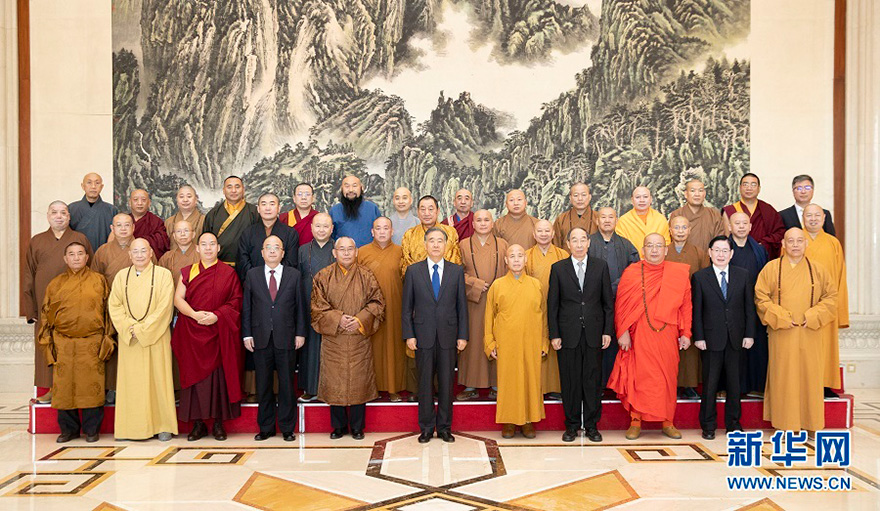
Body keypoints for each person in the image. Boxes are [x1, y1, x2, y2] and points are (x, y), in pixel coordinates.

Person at [608, 233, 692, 440]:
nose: (654, 250)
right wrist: (622, 332)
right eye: (650, 246)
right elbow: (621, 305)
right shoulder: (632, 273)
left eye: (659, 246)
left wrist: (686, 333)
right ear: (643, 250)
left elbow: (685, 305)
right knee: (640, 376)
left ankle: (668, 422)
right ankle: (635, 421)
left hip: (668, 333)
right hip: (640, 334)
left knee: (667, 378)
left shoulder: (677, 273)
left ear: (666, 250)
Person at [755, 228, 837, 432]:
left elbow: (831, 298)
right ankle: (784, 423)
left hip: (811, 331)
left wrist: (812, 316)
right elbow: (761, 298)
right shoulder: (771, 268)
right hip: (782, 332)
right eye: (790, 241)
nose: (795, 245)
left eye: (800, 241)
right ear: (783, 244)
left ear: (806, 243)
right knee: (784, 377)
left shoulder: (818, 269)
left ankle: (811, 423)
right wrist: (782, 317)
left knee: (810, 377)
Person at [311, 237, 386, 440]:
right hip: (333, 338)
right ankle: (338, 426)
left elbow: (377, 303)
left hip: (358, 336)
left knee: (359, 383)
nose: (346, 253)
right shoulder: (323, 276)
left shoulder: (366, 275)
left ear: (356, 252)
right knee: (334, 382)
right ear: (334, 253)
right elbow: (317, 307)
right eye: (341, 249)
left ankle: (358, 427)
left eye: (350, 249)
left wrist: (360, 319)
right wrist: (338, 319)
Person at [172, 232, 244, 441]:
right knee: (193, 380)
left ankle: (219, 424)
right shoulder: (188, 272)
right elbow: (178, 299)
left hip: (217, 332)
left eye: (212, 244)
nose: (208, 248)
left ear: (218, 248)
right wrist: (194, 315)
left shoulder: (228, 273)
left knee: (218, 379)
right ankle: (198, 424)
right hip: (192, 331)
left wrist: (217, 315)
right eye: (204, 244)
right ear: (197, 248)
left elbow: (236, 301)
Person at [39, 242, 114, 443]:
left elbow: (108, 311)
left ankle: (91, 430)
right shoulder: (55, 284)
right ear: (65, 258)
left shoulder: (99, 280)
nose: (76, 257)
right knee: (64, 387)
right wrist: (48, 342)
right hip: (63, 342)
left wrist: (107, 338)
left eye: (80, 254)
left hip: (92, 341)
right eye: (71, 254)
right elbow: (46, 314)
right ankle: (68, 430)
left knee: (91, 387)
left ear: (87, 257)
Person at [402, 227, 468, 443]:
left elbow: (462, 306)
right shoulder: (413, 271)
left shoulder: (456, 271)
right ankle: (427, 427)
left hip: (449, 336)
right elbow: (406, 307)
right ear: (425, 244)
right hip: (423, 336)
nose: (436, 244)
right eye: (432, 240)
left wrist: (463, 335)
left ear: (446, 245)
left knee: (447, 384)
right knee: (424, 384)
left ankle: (445, 427)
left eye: (440, 241)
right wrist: (409, 335)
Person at [548, 227, 614, 442]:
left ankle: (592, 426)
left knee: (592, 381)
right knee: (570, 382)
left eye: (582, 240)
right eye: (574, 240)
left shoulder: (600, 266)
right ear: (568, 244)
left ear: (588, 243)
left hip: (594, 333)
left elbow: (608, 303)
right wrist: (554, 334)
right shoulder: (558, 268)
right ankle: (572, 426)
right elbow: (552, 305)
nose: (578, 244)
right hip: (568, 334)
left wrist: (607, 331)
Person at [108, 238, 178, 441]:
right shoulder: (121, 276)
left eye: (143, 251)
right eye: (135, 251)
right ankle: (129, 428)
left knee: (158, 381)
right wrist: (129, 327)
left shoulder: (163, 275)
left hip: (156, 336)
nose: (139, 255)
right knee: (132, 384)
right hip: (130, 338)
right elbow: (114, 305)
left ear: (151, 253)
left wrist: (143, 329)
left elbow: (165, 306)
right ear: (130, 255)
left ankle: (162, 425)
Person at [23, 201, 93, 402]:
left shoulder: (79, 239)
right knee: (47, 344)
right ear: (48, 216)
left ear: (69, 217)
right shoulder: (37, 241)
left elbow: (91, 270)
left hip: (76, 305)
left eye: (63, 213)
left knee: (73, 346)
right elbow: (28, 275)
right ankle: (49, 388)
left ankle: (75, 387)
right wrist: (31, 310)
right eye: (54, 212)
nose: (59, 216)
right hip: (45, 305)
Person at [242, 236, 306, 441]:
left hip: (286, 336)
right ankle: (266, 427)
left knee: (287, 384)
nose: (272, 251)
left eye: (276, 247)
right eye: (268, 247)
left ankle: (287, 428)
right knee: (263, 384)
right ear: (262, 253)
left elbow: (300, 306)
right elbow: (247, 307)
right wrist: (247, 334)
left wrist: (300, 333)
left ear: (282, 253)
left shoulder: (294, 275)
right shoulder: (252, 275)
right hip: (260, 337)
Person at [692, 236, 756, 440]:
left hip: (736, 338)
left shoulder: (743, 275)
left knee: (734, 385)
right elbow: (697, 310)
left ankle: (733, 424)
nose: (721, 254)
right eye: (717, 250)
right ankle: (708, 426)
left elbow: (749, 308)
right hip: (710, 339)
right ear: (710, 253)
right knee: (710, 384)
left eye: (725, 250)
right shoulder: (700, 277)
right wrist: (699, 336)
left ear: (731, 254)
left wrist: (749, 334)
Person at [485, 244, 548, 438]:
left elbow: (544, 316)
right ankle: (509, 422)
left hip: (531, 341)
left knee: (530, 380)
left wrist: (544, 342)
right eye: (512, 256)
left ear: (525, 259)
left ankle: (528, 421)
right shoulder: (497, 285)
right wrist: (490, 343)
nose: (516, 259)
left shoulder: (536, 285)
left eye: (520, 255)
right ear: (506, 260)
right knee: (509, 382)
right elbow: (489, 317)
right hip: (507, 342)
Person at [92, 213, 142, 402]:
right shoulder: (103, 251)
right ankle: (112, 387)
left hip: (138, 307)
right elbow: (95, 281)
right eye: (118, 225)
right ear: (112, 229)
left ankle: (135, 387)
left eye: (127, 225)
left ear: (133, 227)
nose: (123, 229)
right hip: (111, 306)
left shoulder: (142, 249)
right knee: (112, 347)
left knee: (135, 347)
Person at [588, 207, 640, 389]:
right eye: (603, 217)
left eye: (611, 217)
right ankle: (597, 384)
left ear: (616, 220)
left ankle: (616, 384)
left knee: (617, 342)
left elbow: (634, 271)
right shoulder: (588, 243)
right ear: (597, 221)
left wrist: (615, 287)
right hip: (593, 302)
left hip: (620, 300)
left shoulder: (626, 245)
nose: (607, 220)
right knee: (594, 341)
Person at [457, 210, 507, 400]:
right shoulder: (463, 245)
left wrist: (500, 288)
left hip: (498, 301)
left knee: (497, 338)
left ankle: (497, 383)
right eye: (479, 220)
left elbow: (511, 269)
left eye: (487, 220)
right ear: (473, 224)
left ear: (492, 223)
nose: (483, 223)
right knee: (474, 340)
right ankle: (471, 385)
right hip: (473, 303)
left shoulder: (502, 244)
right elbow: (456, 273)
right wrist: (475, 284)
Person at [801, 204, 849, 396]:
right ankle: (804, 383)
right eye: (809, 215)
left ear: (823, 218)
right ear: (803, 218)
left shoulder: (833, 243)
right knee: (803, 348)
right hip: (801, 305)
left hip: (826, 305)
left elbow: (840, 277)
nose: (813, 219)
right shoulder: (795, 240)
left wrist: (839, 308)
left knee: (826, 346)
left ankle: (824, 384)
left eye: (817, 215)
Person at [358, 217, 406, 401]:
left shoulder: (401, 252)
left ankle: (393, 388)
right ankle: (373, 388)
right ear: (372, 232)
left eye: (386, 228)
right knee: (372, 347)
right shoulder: (362, 252)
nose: (382, 232)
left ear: (392, 231)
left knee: (394, 346)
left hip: (395, 306)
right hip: (369, 308)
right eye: (378, 228)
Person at [665, 216, 709, 400]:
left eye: (684, 227)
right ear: (670, 230)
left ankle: (690, 385)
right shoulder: (663, 251)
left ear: (690, 230)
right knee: (669, 346)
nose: (680, 231)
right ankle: (671, 384)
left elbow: (706, 278)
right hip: (666, 305)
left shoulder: (698, 252)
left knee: (689, 347)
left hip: (691, 303)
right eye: (677, 227)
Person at [524, 219, 569, 399]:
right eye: (540, 231)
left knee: (555, 346)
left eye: (547, 231)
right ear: (534, 235)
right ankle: (536, 387)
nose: (543, 234)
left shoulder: (563, 254)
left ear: (553, 234)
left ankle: (555, 386)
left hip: (558, 307)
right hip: (533, 307)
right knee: (535, 346)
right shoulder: (526, 256)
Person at [728, 212, 769, 396]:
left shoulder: (759, 250)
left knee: (756, 346)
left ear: (750, 226)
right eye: (737, 223)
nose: (741, 226)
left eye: (745, 223)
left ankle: (755, 386)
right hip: (731, 305)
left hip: (754, 303)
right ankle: (731, 387)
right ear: (730, 227)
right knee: (732, 347)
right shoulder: (723, 248)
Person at [297, 213, 336, 402]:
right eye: (318, 226)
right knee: (309, 347)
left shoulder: (338, 248)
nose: (321, 230)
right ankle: (310, 388)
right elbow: (298, 278)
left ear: (332, 229)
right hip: (307, 304)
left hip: (332, 305)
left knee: (331, 347)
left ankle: (331, 387)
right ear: (312, 228)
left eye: (325, 226)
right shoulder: (302, 250)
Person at [722, 173, 786, 259]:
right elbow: (727, 239)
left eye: (753, 184)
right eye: (745, 184)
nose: (749, 188)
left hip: (761, 255)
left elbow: (780, 233)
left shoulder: (767, 209)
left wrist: (763, 244)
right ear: (740, 188)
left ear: (759, 189)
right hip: (737, 256)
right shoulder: (730, 210)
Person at [238, 192, 299, 280]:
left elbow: (291, 261)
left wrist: (274, 277)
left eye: (272, 204)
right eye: (264, 204)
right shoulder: (248, 233)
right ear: (258, 209)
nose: (268, 208)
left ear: (279, 208)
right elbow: (243, 261)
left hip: (282, 283)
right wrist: (256, 278)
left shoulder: (290, 233)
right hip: (253, 282)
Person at [202, 175, 260, 266]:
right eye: (229, 187)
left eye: (237, 187)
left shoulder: (254, 212)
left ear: (243, 190)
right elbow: (206, 241)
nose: (233, 190)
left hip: (247, 265)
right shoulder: (213, 214)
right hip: (219, 266)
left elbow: (259, 241)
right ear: (223, 190)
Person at [400, 195, 462, 271]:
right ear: (418, 212)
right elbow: (406, 264)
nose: (427, 213)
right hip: (417, 277)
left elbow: (455, 262)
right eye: (423, 209)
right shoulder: (409, 234)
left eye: (430, 209)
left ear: (438, 211)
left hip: (446, 277)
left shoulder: (450, 232)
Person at [668, 178, 728, 251]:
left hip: (708, 257)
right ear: (686, 194)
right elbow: (672, 242)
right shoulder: (677, 214)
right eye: (692, 191)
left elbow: (720, 242)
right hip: (682, 257)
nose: (697, 194)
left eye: (700, 190)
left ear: (704, 194)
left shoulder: (714, 215)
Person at [68, 172, 117, 252]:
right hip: (79, 255)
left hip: (103, 254)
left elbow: (115, 235)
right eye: (89, 182)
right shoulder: (72, 208)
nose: (93, 186)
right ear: (83, 186)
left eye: (97, 183)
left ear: (101, 187)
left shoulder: (111, 210)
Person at [615, 186, 670, 255]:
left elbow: (666, 243)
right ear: (632, 200)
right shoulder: (624, 221)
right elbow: (620, 247)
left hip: (656, 259)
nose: (642, 200)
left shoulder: (660, 219)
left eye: (645, 197)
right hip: (632, 260)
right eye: (638, 197)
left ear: (651, 199)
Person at [329, 175, 382, 247]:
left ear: (361, 188)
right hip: (344, 253)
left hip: (369, 253)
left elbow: (381, 234)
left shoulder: (372, 208)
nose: (351, 190)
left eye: (354, 186)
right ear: (342, 189)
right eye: (347, 186)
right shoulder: (335, 211)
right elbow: (330, 238)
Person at [158, 220, 201, 292]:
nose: (182, 234)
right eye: (178, 231)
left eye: (186, 231)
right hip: (172, 296)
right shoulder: (167, 257)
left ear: (193, 234)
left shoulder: (202, 254)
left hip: (197, 296)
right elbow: (160, 280)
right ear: (174, 236)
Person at [552, 182, 598, 248]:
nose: (580, 199)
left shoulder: (599, 218)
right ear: (570, 198)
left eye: (584, 195)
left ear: (590, 197)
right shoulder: (561, 219)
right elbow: (555, 246)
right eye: (576, 195)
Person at [129, 189, 170, 260]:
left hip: (150, 260)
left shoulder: (156, 222)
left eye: (143, 200)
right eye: (135, 200)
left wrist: (137, 241)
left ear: (149, 203)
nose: (140, 203)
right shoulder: (124, 221)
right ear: (130, 202)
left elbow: (162, 243)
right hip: (127, 260)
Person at [164, 185, 205, 253]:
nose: (185, 200)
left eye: (189, 196)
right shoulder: (169, 222)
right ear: (176, 200)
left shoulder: (204, 220)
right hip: (173, 259)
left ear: (196, 199)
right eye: (181, 197)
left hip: (197, 259)